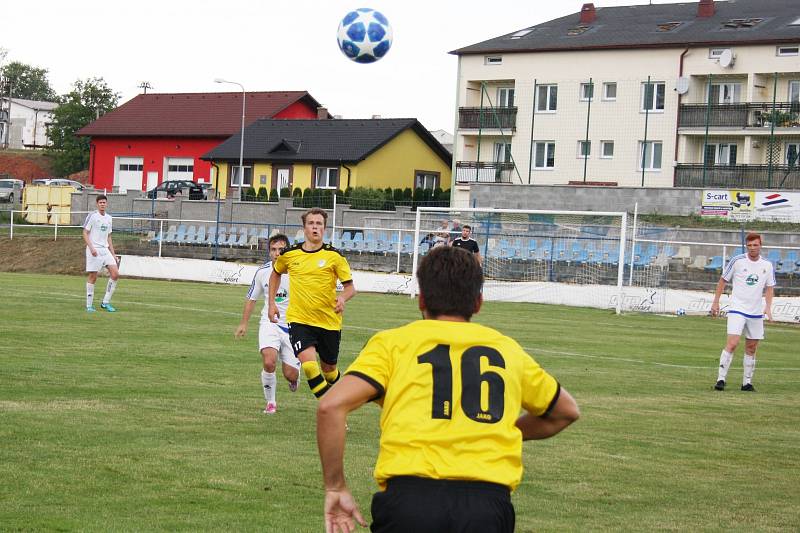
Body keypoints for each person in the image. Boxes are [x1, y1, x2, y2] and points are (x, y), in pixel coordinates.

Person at [317, 246, 580, 533]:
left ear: (421, 300)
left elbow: (331, 406)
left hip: (410, 501)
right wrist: (505, 430)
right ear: (478, 302)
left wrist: (335, 486)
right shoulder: (506, 350)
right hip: (487, 505)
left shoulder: (393, 344)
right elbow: (565, 411)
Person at [269, 207, 356, 399]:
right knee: (309, 366)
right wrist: (272, 303)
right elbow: (275, 273)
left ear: (324, 228)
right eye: (311, 223)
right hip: (300, 320)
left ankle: (340, 396)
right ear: (304, 228)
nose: (315, 227)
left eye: (319, 224)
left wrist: (342, 298)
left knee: (329, 371)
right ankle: (332, 410)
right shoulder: (290, 254)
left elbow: (350, 287)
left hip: (329, 322)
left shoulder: (334, 256)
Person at [235, 234, 301, 414]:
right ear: (269, 252)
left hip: (294, 326)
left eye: (281, 249)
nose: (277, 253)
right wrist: (243, 323)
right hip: (269, 322)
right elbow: (251, 298)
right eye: (273, 249)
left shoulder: (298, 271)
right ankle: (271, 403)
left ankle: (294, 376)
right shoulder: (263, 272)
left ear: (288, 250)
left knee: (290, 374)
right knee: (269, 361)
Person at [711, 232, 775, 392]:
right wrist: (716, 302)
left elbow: (770, 287)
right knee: (732, 343)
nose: (753, 248)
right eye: (750, 245)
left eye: (755, 245)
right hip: (737, 309)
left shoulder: (767, 265)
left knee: (752, 347)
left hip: (755, 312)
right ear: (747, 246)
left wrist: (768, 306)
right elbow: (723, 280)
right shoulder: (737, 261)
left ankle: (747, 383)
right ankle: (720, 379)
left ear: (761, 245)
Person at [83, 195, 119, 312]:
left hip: (105, 250)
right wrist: (91, 248)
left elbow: (109, 236)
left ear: (106, 204)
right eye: (100, 202)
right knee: (93, 276)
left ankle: (105, 302)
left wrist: (113, 254)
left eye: (104, 202)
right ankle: (89, 305)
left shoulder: (109, 218)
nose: (102, 204)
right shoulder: (93, 216)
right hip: (94, 250)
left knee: (115, 274)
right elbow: (85, 233)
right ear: (97, 204)